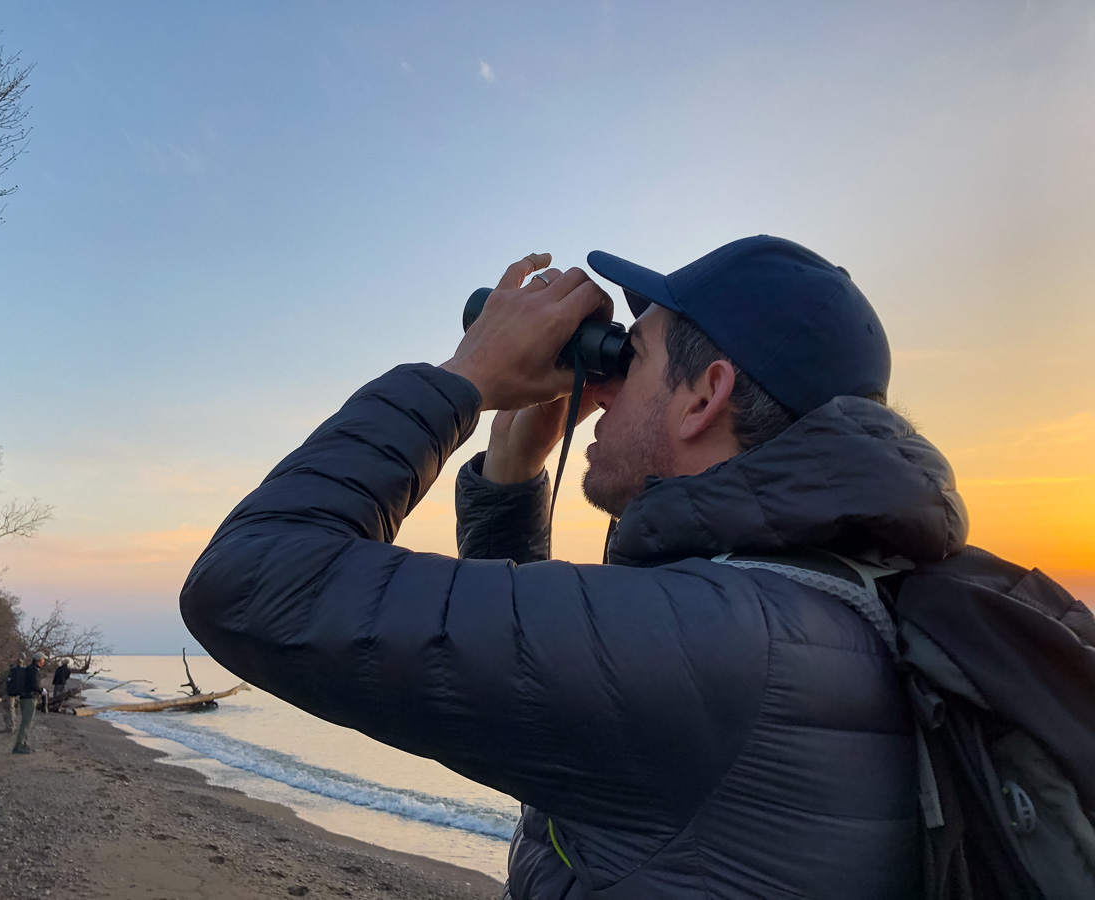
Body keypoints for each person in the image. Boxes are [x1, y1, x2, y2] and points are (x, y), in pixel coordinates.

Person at [181, 237, 968, 898]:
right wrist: (513, 470)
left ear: (705, 397)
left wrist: (462, 380)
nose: (609, 384)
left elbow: (253, 579)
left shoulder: (719, 647)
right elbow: (540, 692)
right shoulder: (818, 603)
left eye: (638, 354)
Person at [13, 651, 45, 754]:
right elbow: (34, 685)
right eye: (43, 659)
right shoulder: (34, 671)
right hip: (29, 699)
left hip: (23, 698)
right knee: (26, 723)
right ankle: (19, 745)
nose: (44, 661)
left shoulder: (29, 669)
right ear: (39, 660)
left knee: (26, 722)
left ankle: (24, 743)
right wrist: (42, 690)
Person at [0, 651, 21, 734]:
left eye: (14, 657)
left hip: (9, 691)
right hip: (8, 691)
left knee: (8, 709)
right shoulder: (13, 668)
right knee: (8, 709)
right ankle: (10, 726)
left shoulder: (15, 669)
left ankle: (10, 727)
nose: (11, 659)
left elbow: (4, 675)